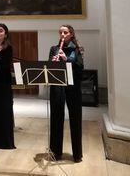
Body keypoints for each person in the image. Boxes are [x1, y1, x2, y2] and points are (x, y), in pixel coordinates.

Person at [49, 24, 84, 163]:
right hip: (58, 87)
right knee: (56, 118)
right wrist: (53, 62)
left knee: (75, 119)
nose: (62, 35)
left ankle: (77, 154)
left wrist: (66, 59)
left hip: (73, 88)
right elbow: (49, 69)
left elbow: (80, 68)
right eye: (60, 32)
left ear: (71, 34)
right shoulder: (54, 49)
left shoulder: (77, 50)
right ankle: (56, 152)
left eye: (65, 32)